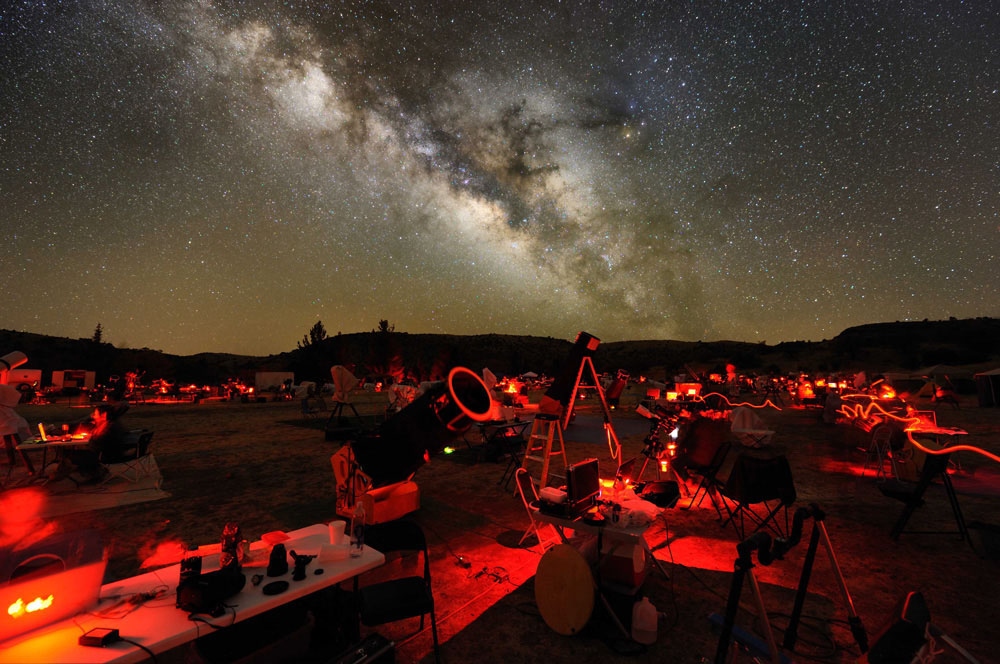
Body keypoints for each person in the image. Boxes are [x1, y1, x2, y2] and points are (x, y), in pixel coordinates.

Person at [59, 402, 131, 482]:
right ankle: (94, 473)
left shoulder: (108, 427)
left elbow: (97, 442)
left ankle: (94, 473)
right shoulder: (110, 423)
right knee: (73, 452)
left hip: (107, 455)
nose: (93, 416)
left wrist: (91, 435)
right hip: (109, 452)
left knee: (68, 454)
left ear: (104, 415)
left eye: (95, 414)